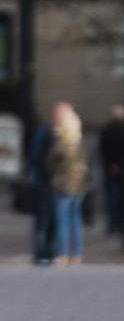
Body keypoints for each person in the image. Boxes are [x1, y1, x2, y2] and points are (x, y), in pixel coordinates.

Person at [44, 104, 88, 267]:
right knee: (76, 220)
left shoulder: (61, 144)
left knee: (62, 221)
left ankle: (62, 254)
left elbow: (49, 164)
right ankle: (77, 254)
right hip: (79, 187)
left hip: (63, 187)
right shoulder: (80, 143)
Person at [23, 107, 57, 266]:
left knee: (47, 222)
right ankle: (42, 253)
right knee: (44, 222)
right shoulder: (46, 134)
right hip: (46, 184)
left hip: (48, 184)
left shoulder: (45, 133)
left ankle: (45, 253)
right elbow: (37, 159)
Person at [99, 106, 124, 244]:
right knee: (121, 198)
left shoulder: (107, 129)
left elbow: (103, 149)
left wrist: (111, 164)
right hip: (123, 169)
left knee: (112, 198)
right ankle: (120, 225)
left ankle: (113, 224)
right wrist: (119, 165)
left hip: (110, 169)